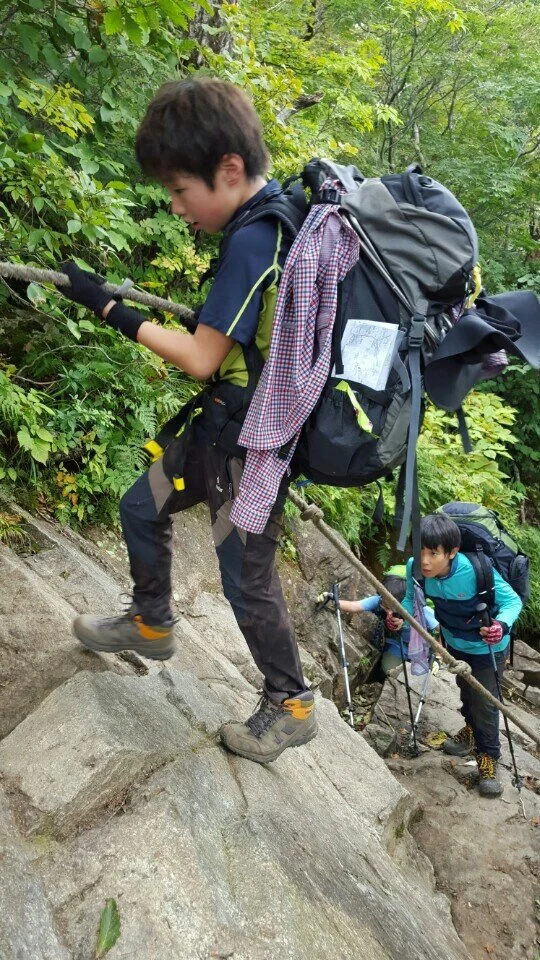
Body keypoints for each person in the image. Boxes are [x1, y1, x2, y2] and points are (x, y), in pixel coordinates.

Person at [56, 78, 317, 764]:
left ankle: (291, 703)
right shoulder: (271, 221)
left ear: (228, 169)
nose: (175, 207)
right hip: (223, 428)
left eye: (179, 189)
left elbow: (203, 358)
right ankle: (151, 622)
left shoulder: (255, 238)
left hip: (249, 448)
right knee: (141, 505)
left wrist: (109, 309)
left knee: (245, 576)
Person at [393, 513, 522, 796]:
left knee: (485, 702)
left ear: (451, 552)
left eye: (433, 553)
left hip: (488, 648)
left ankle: (489, 757)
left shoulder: (476, 570)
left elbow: (512, 601)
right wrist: (400, 615)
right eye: (420, 551)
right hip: (454, 642)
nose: (425, 561)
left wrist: (500, 625)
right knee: (465, 689)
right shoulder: (415, 567)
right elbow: (410, 600)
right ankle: (471, 731)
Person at [318, 569, 439, 676]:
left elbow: (443, 630)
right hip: (398, 646)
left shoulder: (422, 610)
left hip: (422, 648)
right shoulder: (379, 600)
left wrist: (438, 656)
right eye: (384, 605)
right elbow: (354, 606)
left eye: (391, 608)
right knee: (389, 670)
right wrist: (332, 598)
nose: (387, 610)